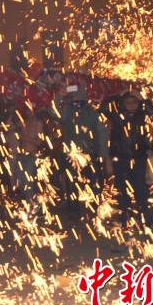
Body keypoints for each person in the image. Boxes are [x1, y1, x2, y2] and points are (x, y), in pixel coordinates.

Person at [100, 91, 153, 225]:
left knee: (140, 188)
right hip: (121, 158)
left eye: (134, 102)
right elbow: (103, 108)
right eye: (128, 103)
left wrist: (142, 100)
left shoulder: (141, 116)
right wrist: (118, 96)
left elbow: (152, 111)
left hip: (138, 158)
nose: (131, 105)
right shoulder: (117, 117)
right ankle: (125, 217)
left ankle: (145, 217)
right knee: (121, 188)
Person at [57, 83, 111, 214]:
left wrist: (104, 156)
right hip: (71, 154)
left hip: (89, 154)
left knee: (94, 182)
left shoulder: (92, 114)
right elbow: (54, 112)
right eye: (74, 102)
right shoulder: (67, 110)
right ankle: (73, 210)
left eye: (79, 102)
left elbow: (102, 134)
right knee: (72, 183)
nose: (76, 105)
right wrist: (59, 95)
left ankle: (94, 209)